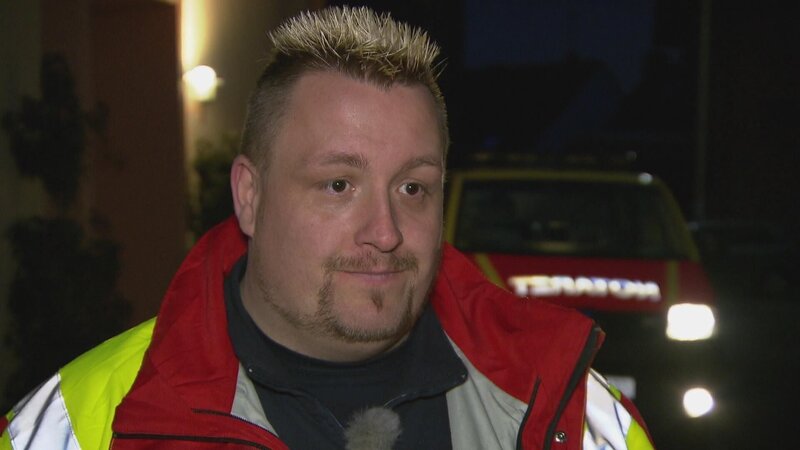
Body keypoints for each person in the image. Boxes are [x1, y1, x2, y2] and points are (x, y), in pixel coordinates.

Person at [1, 6, 654, 450]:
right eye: (339, 185)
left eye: (413, 188)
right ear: (249, 195)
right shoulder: (86, 422)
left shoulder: (573, 411)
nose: (386, 231)